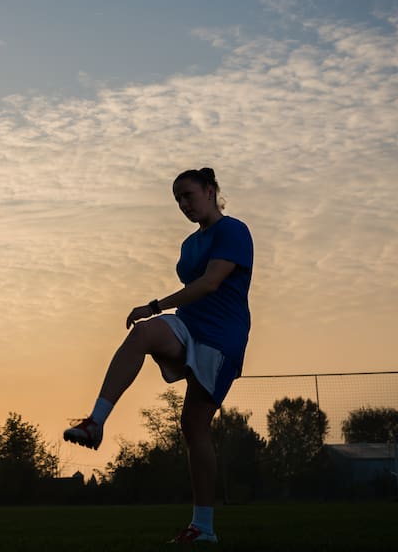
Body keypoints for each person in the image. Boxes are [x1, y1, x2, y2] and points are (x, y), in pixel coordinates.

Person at [63, 167, 253, 544]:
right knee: (143, 333)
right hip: (188, 326)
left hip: (222, 339)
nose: (183, 204)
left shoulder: (233, 231)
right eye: (177, 199)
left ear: (211, 191)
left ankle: (204, 528)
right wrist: (158, 313)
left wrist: (155, 304)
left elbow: (210, 283)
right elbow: (193, 289)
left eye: (189, 195)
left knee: (194, 427)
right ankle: (95, 423)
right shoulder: (189, 244)